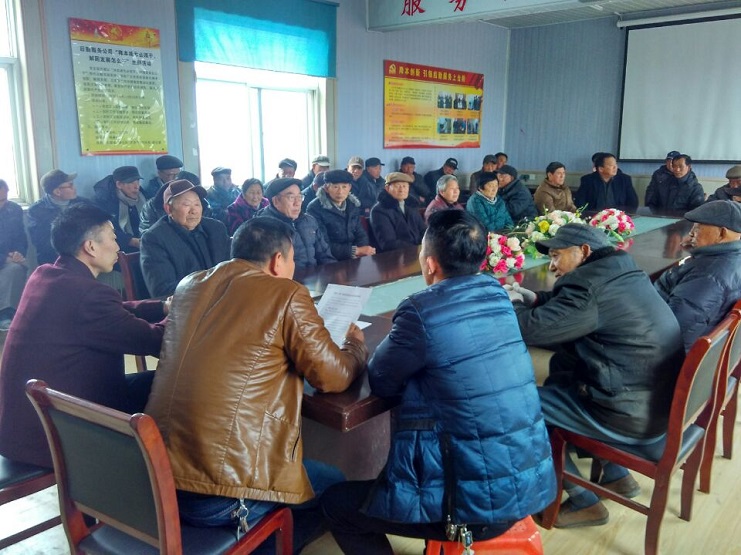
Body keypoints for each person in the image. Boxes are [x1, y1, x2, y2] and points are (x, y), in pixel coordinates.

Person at [321, 210, 556, 554]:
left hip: (474, 505)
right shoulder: (496, 294)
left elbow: (382, 380)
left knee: (336, 504)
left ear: (430, 264)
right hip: (526, 483)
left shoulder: (421, 309)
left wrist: (356, 344)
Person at [145, 217, 368, 550]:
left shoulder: (189, 286)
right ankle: (263, 544)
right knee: (334, 486)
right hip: (223, 492)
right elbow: (331, 376)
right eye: (292, 259)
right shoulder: (285, 293)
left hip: (156, 477)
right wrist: (355, 347)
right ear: (278, 261)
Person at [507, 223, 683, 527]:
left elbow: (532, 330)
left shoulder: (588, 287)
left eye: (557, 256)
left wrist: (510, 305)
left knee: (517, 406)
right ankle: (616, 474)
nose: (552, 266)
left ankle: (584, 502)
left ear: (584, 251)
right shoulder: (621, 272)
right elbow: (569, 309)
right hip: (653, 403)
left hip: (627, 414)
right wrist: (534, 299)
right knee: (562, 371)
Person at [0, 203, 166, 469]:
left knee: (154, 381)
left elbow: (113, 310)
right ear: (90, 247)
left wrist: (162, 306)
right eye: (112, 238)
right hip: (55, 436)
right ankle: (158, 478)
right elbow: (154, 341)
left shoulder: (46, 274)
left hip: (24, 427)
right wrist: (188, 308)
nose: (118, 246)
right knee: (171, 386)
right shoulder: (88, 296)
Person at [655, 201, 741, 352]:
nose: (691, 233)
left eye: (698, 228)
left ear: (722, 233)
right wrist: (697, 251)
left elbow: (670, 333)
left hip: (667, 352)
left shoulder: (707, 277)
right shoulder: (731, 257)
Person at [140, 179, 230, 297]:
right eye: (186, 205)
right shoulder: (154, 238)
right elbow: (162, 290)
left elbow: (232, 268)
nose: (194, 211)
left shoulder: (216, 228)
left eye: (197, 204)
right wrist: (212, 289)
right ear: (168, 209)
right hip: (188, 304)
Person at [257, 177, 336, 267]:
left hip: (315, 274)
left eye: (299, 197)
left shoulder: (309, 221)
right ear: (276, 201)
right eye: (291, 197)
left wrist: (333, 272)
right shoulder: (263, 228)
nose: (297, 203)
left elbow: (325, 255)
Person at [307, 169, 375, 260]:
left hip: (355, 256)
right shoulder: (315, 208)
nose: (340, 192)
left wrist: (362, 249)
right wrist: (355, 251)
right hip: (329, 258)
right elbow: (322, 243)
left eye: (344, 187)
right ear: (326, 188)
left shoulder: (353, 204)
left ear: (350, 187)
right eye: (335, 187)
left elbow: (360, 233)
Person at [28, 169, 89, 265]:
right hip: (54, 258)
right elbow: (42, 243)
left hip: (82, 252)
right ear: (57, 192)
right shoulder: (36, 210)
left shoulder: (83, 203)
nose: (74, 188)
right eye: (70, 185)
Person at [92, 165, 145, 252]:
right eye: (131, 182)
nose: (137, 186)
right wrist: (130, 241)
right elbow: (103, 230)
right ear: (119, 184)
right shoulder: (103, 201)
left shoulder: (143, 196)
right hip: (117, 248)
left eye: (138, 181)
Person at [370, 172, 426, 252]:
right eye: (397, 186)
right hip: (395, 254)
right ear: (387, 188)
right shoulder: (379, 211)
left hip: (418, 251)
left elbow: (423, 231)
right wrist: (416, 249)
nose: (401, 190)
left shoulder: (411, 206)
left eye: (404, 186)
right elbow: (389, 243)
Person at [0, 179, 28, 330]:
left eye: (3, 199)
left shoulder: (14, 210)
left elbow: (21, 238)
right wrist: (4, 258)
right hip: (4, 258)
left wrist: (18, 254)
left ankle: (8, 313)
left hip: (10, 258)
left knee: (17, 268)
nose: (1, 204)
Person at [139, 170, 204, 233]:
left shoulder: (203, 205)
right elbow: (146, 233)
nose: (194, 211)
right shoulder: (151, 206)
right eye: (186, 204)